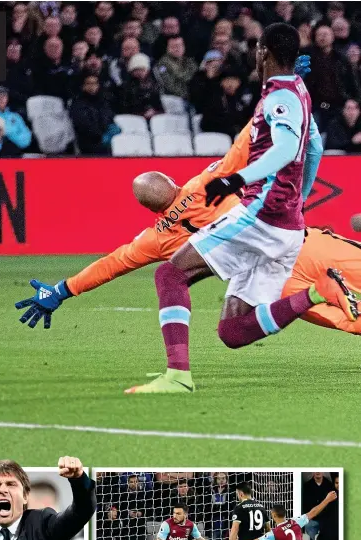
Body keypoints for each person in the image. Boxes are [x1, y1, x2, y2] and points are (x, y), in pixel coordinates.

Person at [14, 53, 359, 342]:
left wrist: (61, 290)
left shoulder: (157, 238)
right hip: (300, 245)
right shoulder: (204, 184)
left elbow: (112, 264)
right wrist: (284, 85)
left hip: (272, 279)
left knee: (346, 317)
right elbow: (248, 137)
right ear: (171, 181)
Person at [121, 23, 357, 393]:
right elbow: (312, 147)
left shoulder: (282, 96)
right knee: (232, 332)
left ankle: (177, 376)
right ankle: (318, 291)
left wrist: (236, 179)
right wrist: (300, 199)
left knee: (170, 275)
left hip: (260, 217)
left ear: (263, 52)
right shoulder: (298, 91)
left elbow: (284, 148)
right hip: (286, 226)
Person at [70, 75, 115, 155]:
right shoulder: (78, 103)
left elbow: (109, 117)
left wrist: (110, 129)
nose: (92, 86)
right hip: (88, 143)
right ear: (83, 86)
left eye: (95, 83)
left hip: (106, 140)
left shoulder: (103, 101)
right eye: (89, 83)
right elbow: (82, 124)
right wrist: (100, 136)